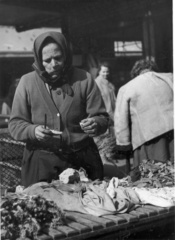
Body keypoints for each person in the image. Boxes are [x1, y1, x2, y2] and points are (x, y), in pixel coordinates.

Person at [8, 31, 109, 187]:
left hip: (82, 162)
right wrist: (33, 131)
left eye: (58, 58)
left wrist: (95, 123)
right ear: (39, 61)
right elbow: (15, 124)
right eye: (47, 60)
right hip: (42, 164)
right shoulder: (27, 82)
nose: (53, 64)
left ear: (66, 55)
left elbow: (103, 118)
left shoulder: (84, 79)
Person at [114, 59, 174, 168]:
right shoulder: (170, 77)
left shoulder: (126, 88)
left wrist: (123, 144)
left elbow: (121, 120)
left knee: (153, 174)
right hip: (172, 133)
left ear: (135, 72)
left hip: (148, 138)